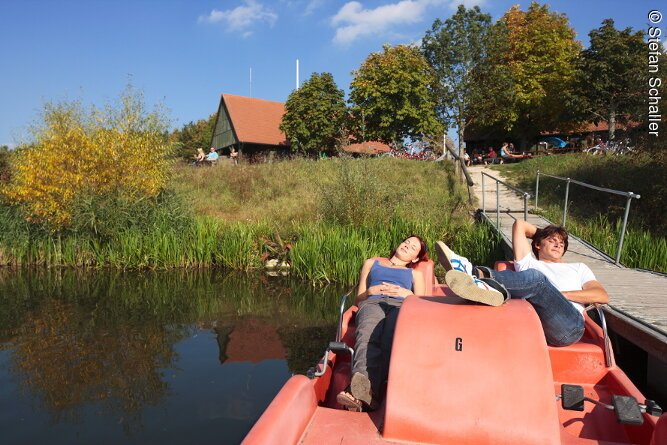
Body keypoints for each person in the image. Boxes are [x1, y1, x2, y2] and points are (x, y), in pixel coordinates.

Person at [437, 219, 609, 347]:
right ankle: (482, 282)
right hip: (532, 324)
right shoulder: (528, 262)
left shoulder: (578, 267)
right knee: (534, 277)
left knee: (537, 280)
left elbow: (601, 296)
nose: (558, 244)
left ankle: (477, 274)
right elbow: (520, 224)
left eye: (562, 243)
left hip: (568, 326)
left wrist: (561, 295)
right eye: (552, 240)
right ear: (537, 245)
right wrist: (543, 234)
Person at [336, 236, 428, 412]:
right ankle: (362, 388)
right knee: (367, 336)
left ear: (415, 258)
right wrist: (371, 290)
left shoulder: (415, 274)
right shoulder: (372, 263)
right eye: (406, 242)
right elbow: (359, 298)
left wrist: (407, 293)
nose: (407, 246)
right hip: (373, 303)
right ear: (398, 244)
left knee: (388, 339)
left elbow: (421, 304)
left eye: (413, 247)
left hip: (401, 306)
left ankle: (362, 393)